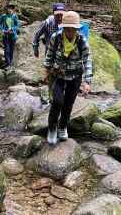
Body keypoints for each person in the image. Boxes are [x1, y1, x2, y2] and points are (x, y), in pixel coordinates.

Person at [44, 11, 92, 145]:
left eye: (72, 29)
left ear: (77, 29)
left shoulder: (82, 40)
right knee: (57, 101)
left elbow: (87, 60)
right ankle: (52, 128)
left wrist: (87, 81)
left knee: (68, 103)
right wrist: (46, 71)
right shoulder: (56, 37)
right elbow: (49, 54)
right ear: (63, 28)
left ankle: (62, 127)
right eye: (67, 29)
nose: (70, 32)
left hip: (75, 75)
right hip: (58, 75)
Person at [0, 2, 19, 70]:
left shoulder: (15, 16)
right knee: (7, 49)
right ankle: (8, 64)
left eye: (11, 8)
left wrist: (12, 29)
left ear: (13, 9)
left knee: (11, 50)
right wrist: (3, 30)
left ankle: (10, 63)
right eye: (9, 8)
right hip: (6, 35)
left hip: (13, 36)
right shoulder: (3, 16)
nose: (10, 9)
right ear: (7, 9)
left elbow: (17, 25)